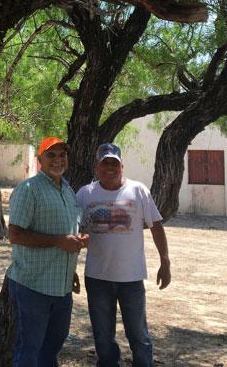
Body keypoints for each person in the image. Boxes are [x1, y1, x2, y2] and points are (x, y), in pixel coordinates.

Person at [76, 142, 171, 367]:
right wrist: (71, 269)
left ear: (122, 166)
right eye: (105, 163)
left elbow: (156, 225)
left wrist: (165, 262)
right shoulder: (85, 194)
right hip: (97, 278)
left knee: (139, 335)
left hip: (131, 279)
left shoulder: (138, 191)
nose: (110, 167)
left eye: (114, 163)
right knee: (102, 337)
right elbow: (75, 232)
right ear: (97, 167)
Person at [6, 136, 88, 367]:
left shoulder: (68, 191)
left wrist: (72, 262)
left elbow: (66, 235)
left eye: (62, 155)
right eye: (51, 155)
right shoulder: (28, 189)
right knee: (29, 350)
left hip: (61, 288)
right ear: (40, 158)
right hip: (32, 285)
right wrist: (59, 242)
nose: (58, 160)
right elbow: (15, 235)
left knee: (52, 347)